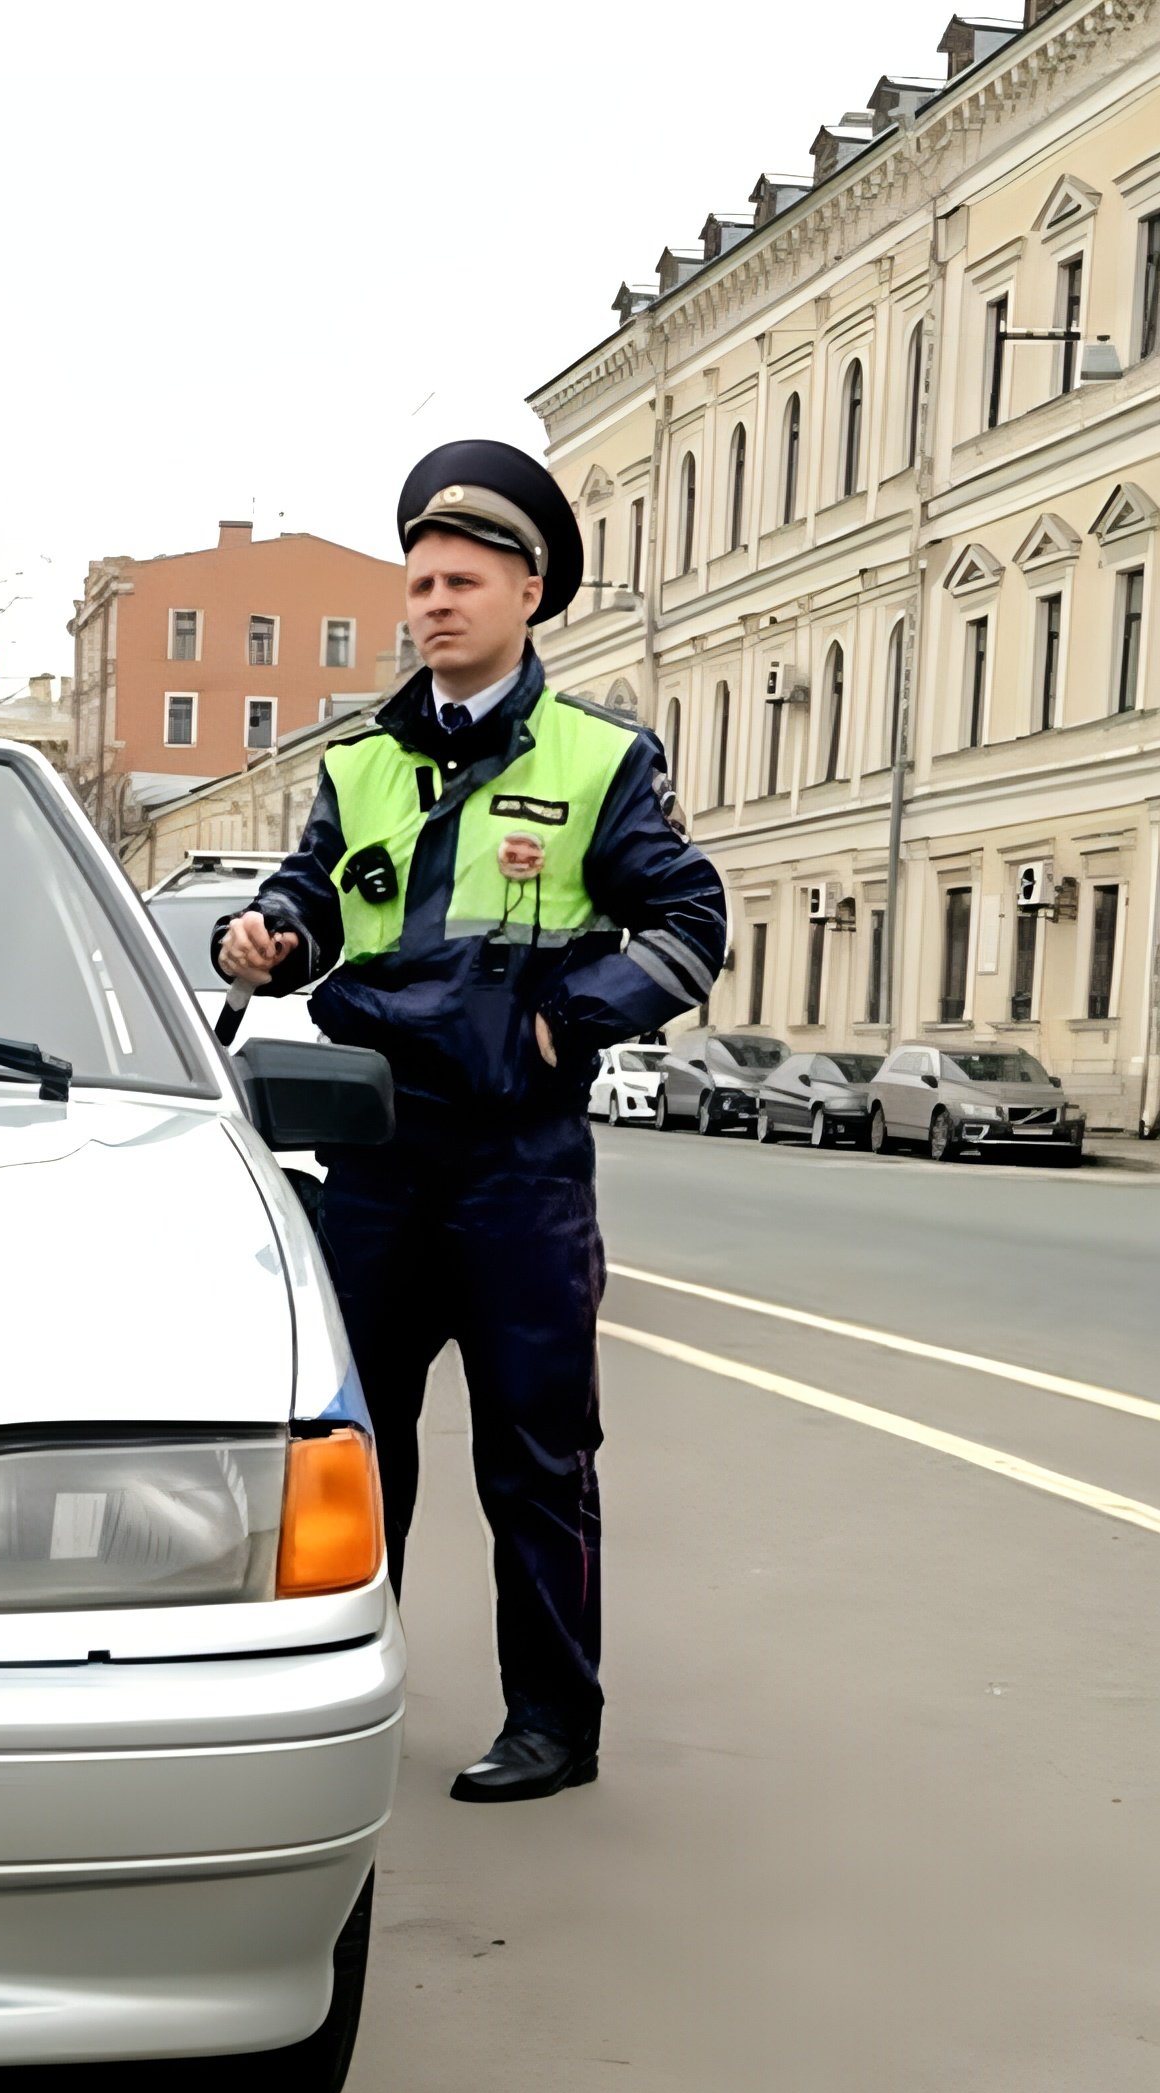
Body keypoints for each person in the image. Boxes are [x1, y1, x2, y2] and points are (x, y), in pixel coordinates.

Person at [216, 440, 727, 1804]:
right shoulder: (369, 761)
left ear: (527, 589)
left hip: (517, 1166)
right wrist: (267, 935)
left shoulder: (600, 756)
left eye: (462, 580)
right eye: (420, 582)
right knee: (356, 1453)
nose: (434, 603)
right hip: (376, 1159)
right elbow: (315, 893)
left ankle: (554, 1724)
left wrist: (575, 1017)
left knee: (536, 1455)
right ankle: (340, 1704)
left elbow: (690, 924)